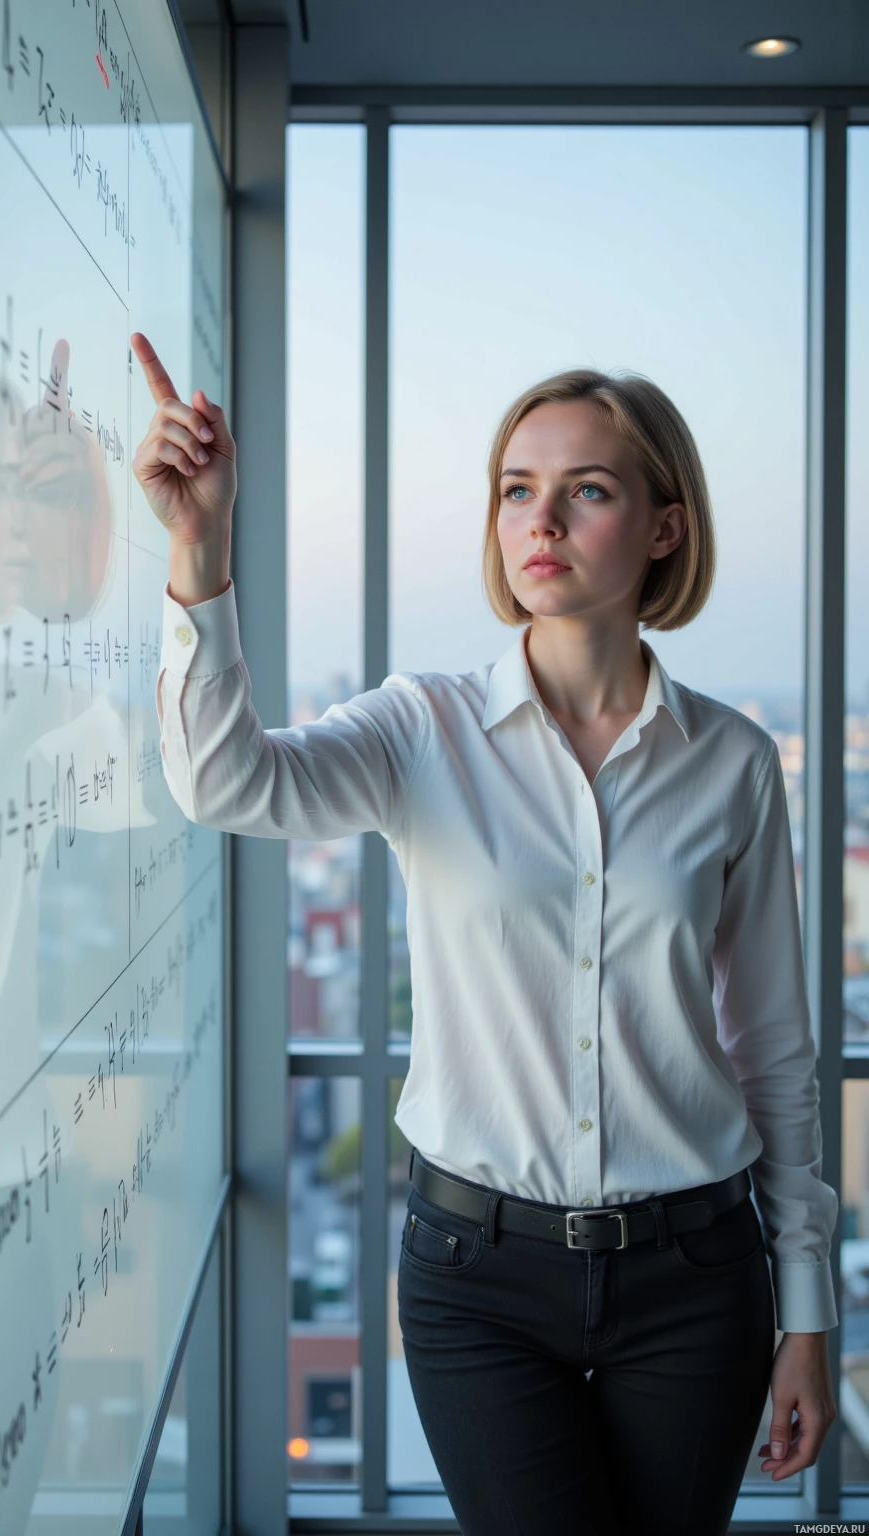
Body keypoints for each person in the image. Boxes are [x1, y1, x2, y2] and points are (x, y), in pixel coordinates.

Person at [128, 329, 839, 1535]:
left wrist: (807, 1309)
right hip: (478, 1280)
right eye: (518, 489)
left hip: (697, 1277)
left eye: (588, 490)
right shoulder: (423, 728)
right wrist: (199, 551)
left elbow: (768, 1042)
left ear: (664, 528)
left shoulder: (728, 761)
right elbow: (224, 786)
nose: (540, 519)